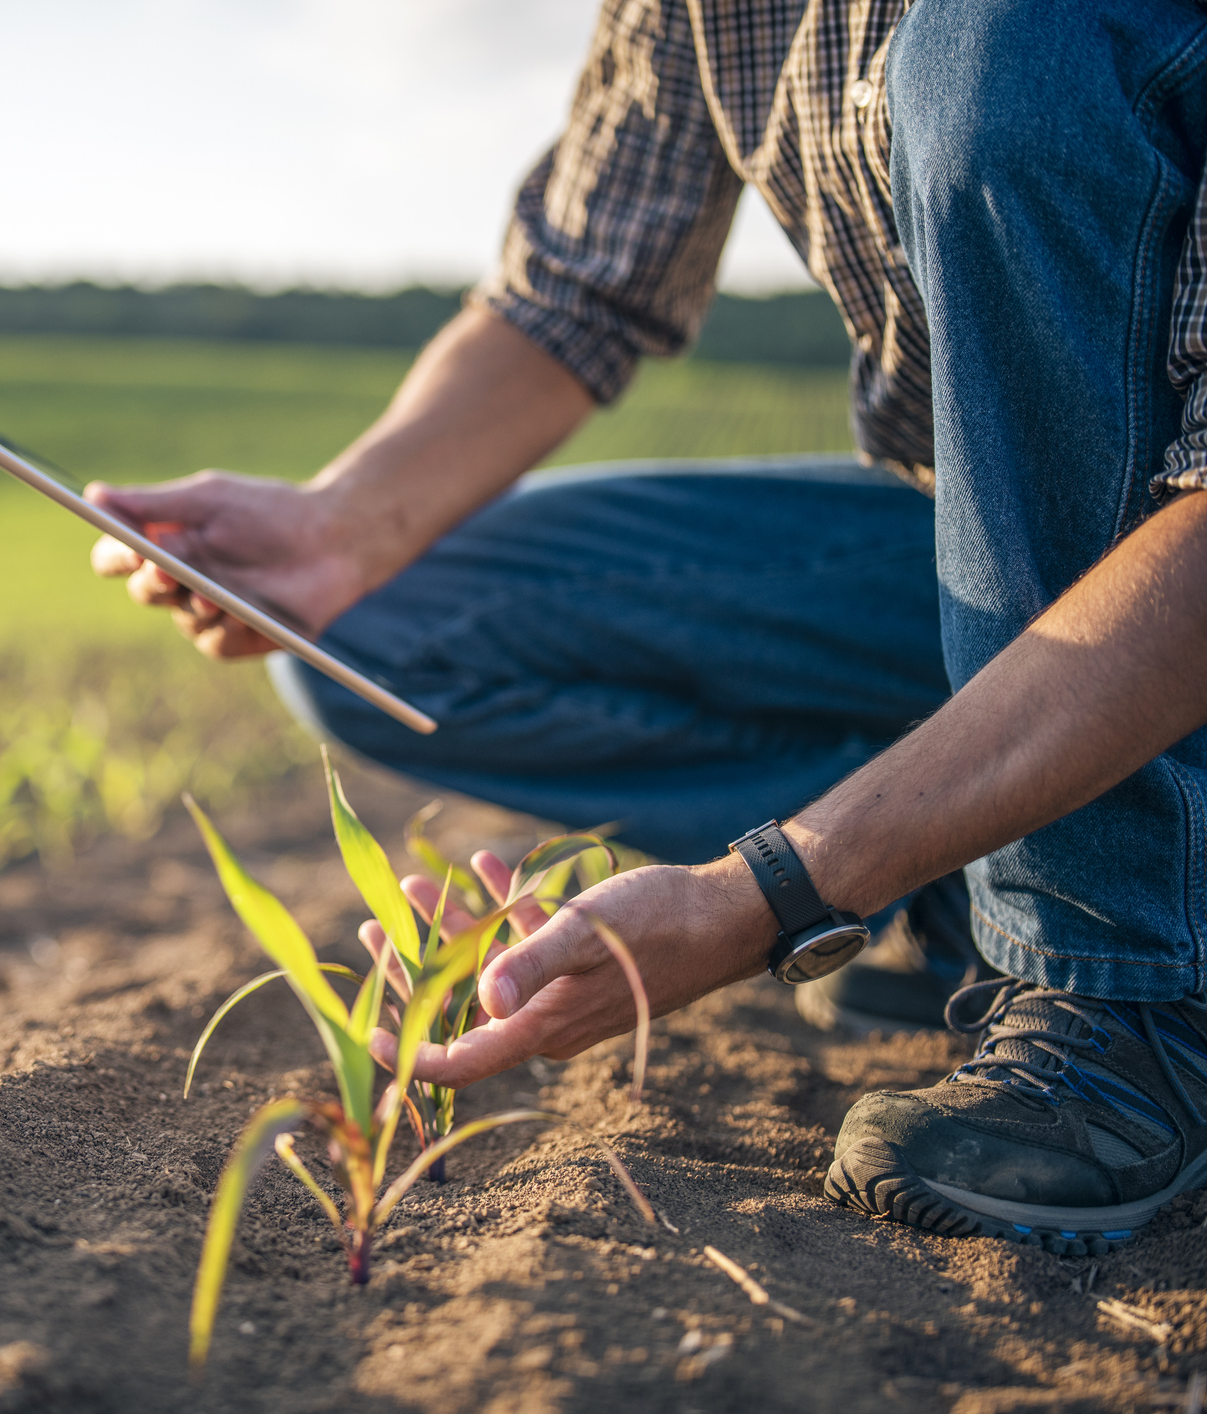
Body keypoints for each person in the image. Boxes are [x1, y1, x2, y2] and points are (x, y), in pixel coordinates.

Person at [86, 0, 1207, 1254]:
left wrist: (768, 891)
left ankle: (1129, 980)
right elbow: (577, 286)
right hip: (959, 532)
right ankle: (955, 863)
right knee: (377, 623)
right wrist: (339, 527)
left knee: (1014, 48)